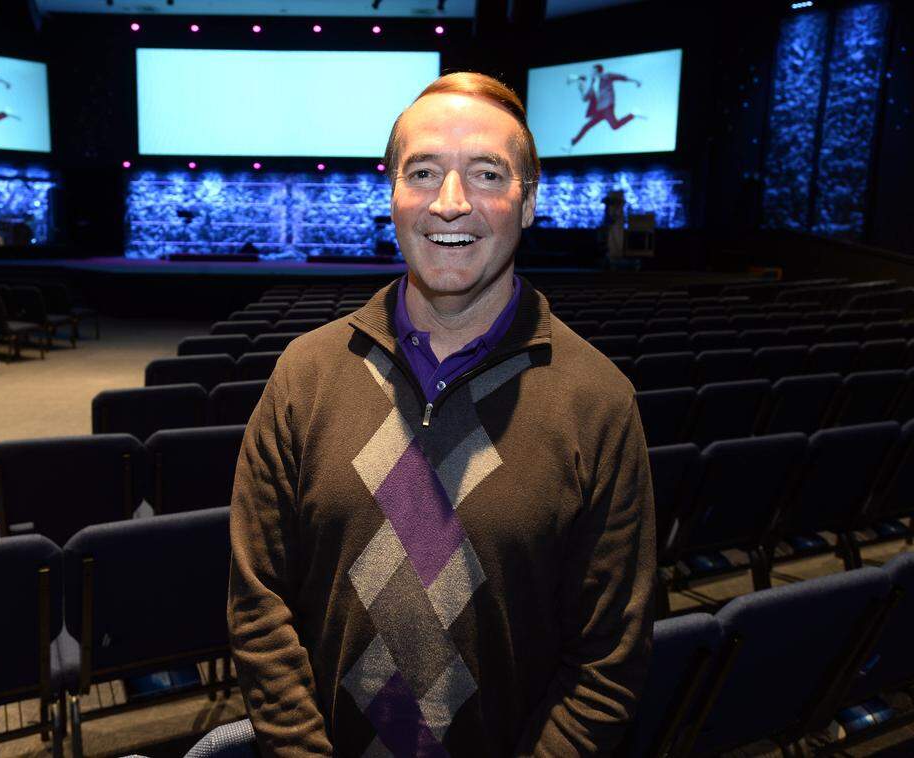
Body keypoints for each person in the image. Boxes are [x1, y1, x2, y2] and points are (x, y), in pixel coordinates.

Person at [228, 71, 655, 757]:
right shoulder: (303, 376)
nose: (450, 203)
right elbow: (258, 607)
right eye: (424, 172)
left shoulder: (599, 401)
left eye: (486, 174)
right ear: (393, 195)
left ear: (528, 201)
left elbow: (609, 661)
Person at [568, 63, 643, 148]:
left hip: (607, 106)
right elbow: (585, 98)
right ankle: (572, 143)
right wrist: (581, 87)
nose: (590, 73)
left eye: (591, 71)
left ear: (596, 70)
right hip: (599, 110)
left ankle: (633, 114)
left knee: (614, 126)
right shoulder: (593, 85)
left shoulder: (607, 76)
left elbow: (622, 77)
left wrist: (636, 81)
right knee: (590, 126)